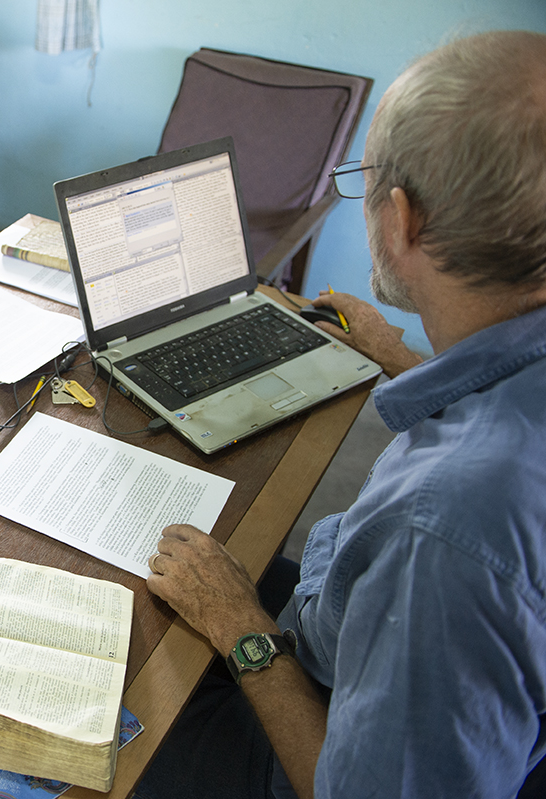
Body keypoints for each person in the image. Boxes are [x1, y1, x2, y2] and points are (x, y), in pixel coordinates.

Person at [136, 30, 546, 799]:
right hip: (353, 619)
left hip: (308, 736)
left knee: (111, 713)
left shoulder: (444, 529)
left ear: (403, 220)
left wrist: (240, 628)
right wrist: (406, 361)